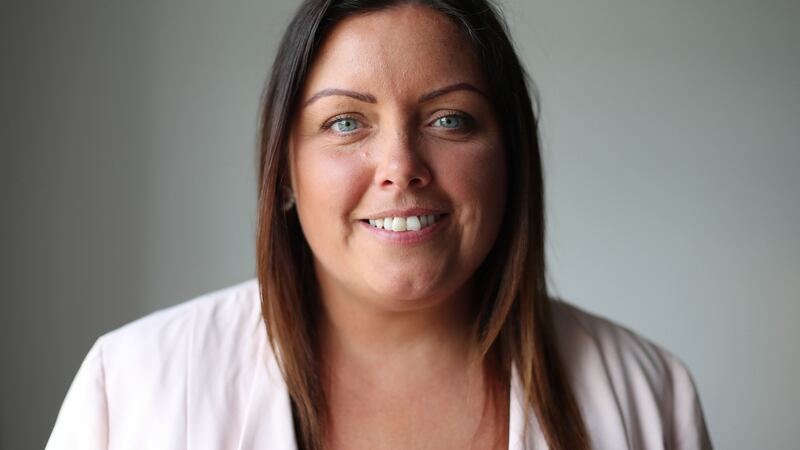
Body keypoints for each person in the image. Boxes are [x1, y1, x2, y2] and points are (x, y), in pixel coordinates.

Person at [46, 0, 713, 449]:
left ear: (509, 158)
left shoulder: (649, 394)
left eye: (449, 119)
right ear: (284, 171)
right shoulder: (130, 388)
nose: (400, 167)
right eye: (345, 122)